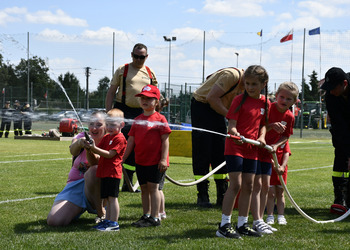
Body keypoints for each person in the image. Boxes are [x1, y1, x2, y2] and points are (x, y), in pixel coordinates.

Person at [216, 65, 269, 239]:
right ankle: (224, 225)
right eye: (247, 83)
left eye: (254, 84)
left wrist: (261, 137)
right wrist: (235, 133)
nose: (250, 87)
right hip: (235, 147)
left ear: (263, 84)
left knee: (249, 185)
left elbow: (263, 125)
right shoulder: (239, 100)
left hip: (252, 149)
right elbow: (231, 125)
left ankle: (242, 224)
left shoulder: (266, 103)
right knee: (236, 184)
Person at [105, 43, 158, 192]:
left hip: (142, 114)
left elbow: (155, 94)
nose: (138, 59)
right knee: (120, 145)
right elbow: (111, 92)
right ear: (131, 55)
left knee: (138, 147)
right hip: (122, 111)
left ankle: (128, 183)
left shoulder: (150, 72)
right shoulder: (123, 70)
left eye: (142, 57)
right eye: (136, 56)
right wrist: (108, 113)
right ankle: (110, 178)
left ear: (146, 57)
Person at [191, 67, 245, 207]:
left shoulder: (248, 85)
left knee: (220, 152)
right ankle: (202, 195)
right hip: (202, 106)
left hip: (217, 109)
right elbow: (211, 98)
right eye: (250, 84)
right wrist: (231, 118)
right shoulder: (231, 76)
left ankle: (222, 194)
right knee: (202, 151)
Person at [250, 81, 298, 234]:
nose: (284, 101)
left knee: (266, 187)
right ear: (276, 96)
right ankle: (252, 218)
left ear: (294, 101)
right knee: (254, 186)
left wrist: (276, 146)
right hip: (257, 149)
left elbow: (286, 136)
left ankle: (263, 219)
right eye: (282, 97)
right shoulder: (267, 108)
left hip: (270, 153)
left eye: (289, 99)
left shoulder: (290, 116)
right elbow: (256, 126)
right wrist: (270, 126)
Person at [47, 110, 107, 226]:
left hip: (98, 188)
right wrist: (79, 143)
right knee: (54, 221)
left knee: (94, 170)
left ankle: (101, 212)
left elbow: (95, 162)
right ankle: (77, 207)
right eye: (91, 124)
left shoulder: (110, 141)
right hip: (75, 187)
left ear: (106, 126)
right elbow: (72, 150)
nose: (94, 128)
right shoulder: (81, 137)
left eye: (99, 125)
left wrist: (90, 149)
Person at [123, 84, 171, 227]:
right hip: (141, 161)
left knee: (153, 188)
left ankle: (155, 217)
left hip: (156, 162)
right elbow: (130, 141)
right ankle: (146, 215)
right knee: (144, 189)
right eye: (142, 98)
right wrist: (123, 158)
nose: (145, 101)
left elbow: (165, 141)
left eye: (149, 99)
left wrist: (163, 159)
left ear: (156, 102)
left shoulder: (160, 119)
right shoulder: (137, 120)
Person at [86, 108, 127, 231]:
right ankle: (107, 221)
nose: (109, 127)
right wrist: (90, 145)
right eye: (108, 124)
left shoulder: (119, 138)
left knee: (112, 199)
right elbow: (98, 150)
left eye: (113, 125)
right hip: (104, 173)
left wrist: (93, 148)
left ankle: (114, 223)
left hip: (113, 173)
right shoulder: (107, 137)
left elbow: (109, 154)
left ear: (122, 125)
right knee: (107, 199)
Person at [320, 67, 350, 214]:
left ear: (344, 83)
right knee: (341, 158)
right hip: (343, 128)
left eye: (333, 87)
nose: (330, 91)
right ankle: (340, 199)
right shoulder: (331, 96)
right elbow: (339, 126)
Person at [266, 141, 291, 225]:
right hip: (270, 168)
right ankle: (270, 216)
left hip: (281, 169)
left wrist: (283, 166)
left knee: (280, 193)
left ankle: (281, 216)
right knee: (271, 193)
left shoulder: (283, 140)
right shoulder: (269, 137)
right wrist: (272, 163)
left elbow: (286, 153)